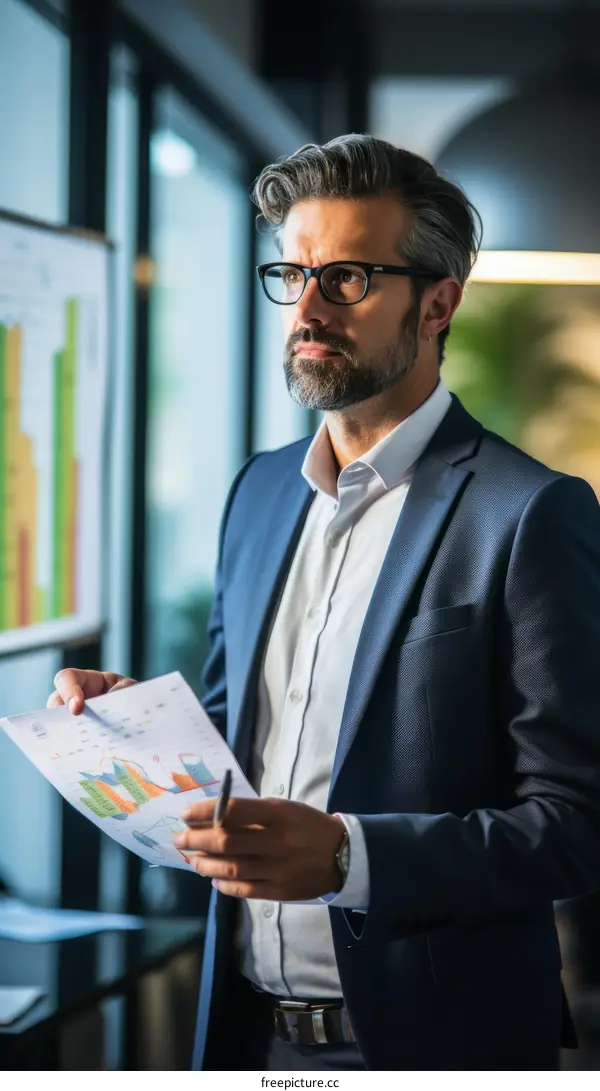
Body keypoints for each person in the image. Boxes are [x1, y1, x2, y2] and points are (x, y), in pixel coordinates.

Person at [49, 135, 600, 1071]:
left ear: (438, 303)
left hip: (438, 1047)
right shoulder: (257, 493)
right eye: (292, 273)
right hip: (244, 1032)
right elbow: (233, 740)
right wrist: (128, 724)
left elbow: (577, 824)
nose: (306, 307)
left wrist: (351, 858)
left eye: (346, 278)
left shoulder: (531, 513)